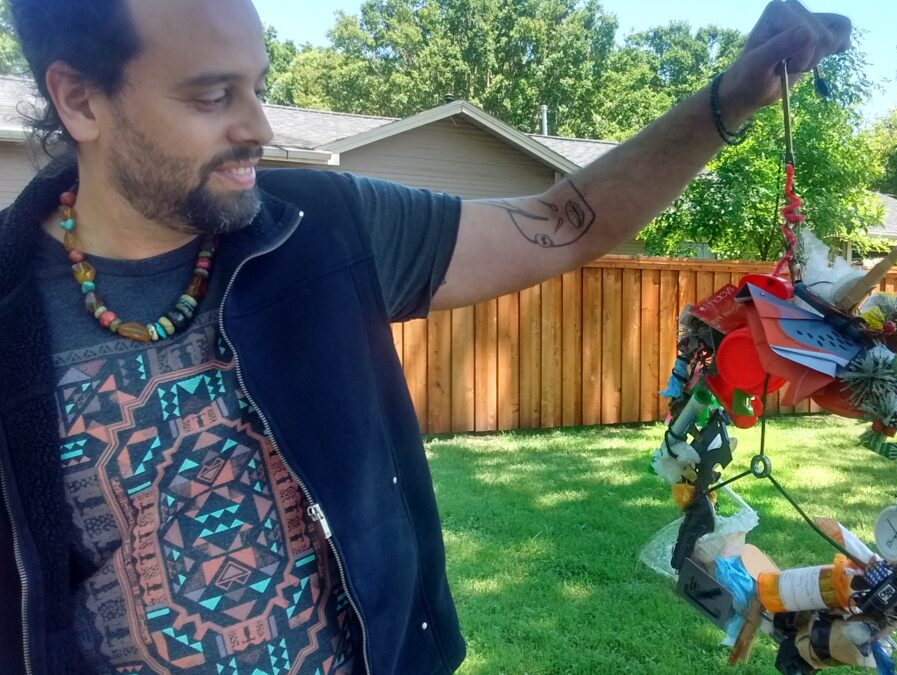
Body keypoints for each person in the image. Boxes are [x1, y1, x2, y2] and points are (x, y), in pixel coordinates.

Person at [0, 0, 850, 672]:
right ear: (81, 99)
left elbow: (564, 220)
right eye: (212, 95)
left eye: (257, 85)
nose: (258, 124)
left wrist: (729, 100)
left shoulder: (326, 231)